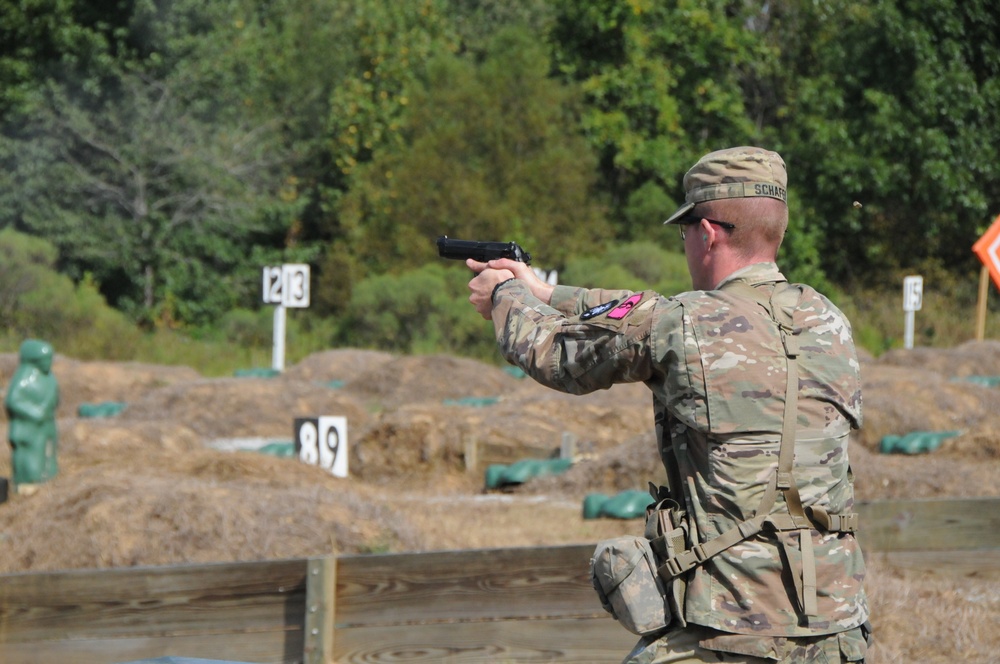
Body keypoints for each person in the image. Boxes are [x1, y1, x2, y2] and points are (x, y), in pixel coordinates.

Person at [465, 146, 871, 663]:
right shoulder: (828, 320)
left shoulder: (682, 323)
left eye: (684, 233)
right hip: (837, 627)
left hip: (730, 627)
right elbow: (639, 309)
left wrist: (503, 297)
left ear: (707, 233)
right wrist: (546, 290)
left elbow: (556, 356)